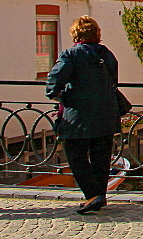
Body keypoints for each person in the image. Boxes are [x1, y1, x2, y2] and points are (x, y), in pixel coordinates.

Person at [46, 15, 120, 215]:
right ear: (97, 33)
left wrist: (62, 96)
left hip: (77, 116)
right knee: (101, 158)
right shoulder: (107, 54)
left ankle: (92, 194)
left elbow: (53, 82)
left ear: (75, 34)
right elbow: (114, 80)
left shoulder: (70, 55)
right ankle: (99, 195)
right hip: (106, 113)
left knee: (76, 156)